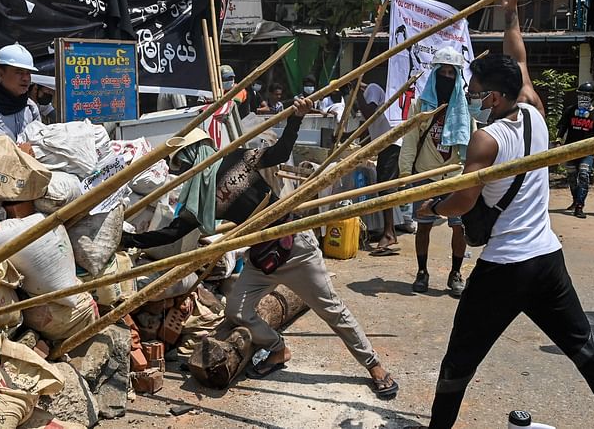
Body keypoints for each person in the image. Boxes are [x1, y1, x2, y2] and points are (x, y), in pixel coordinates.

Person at [417, 0, 594, 428]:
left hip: (505, 266)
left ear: (493, 98)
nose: (470, 97)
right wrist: (510, 13)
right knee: (587, 349)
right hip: (547, 259)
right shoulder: (532, 108)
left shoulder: (486, 138)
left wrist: (431, 210)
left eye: (475, 92)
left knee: (460, 359)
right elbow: (519, 61)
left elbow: (465, 199)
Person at [121, 98, 399, 399]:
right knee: (236, 309)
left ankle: (374, 366)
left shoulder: (238, 159)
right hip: (261, 258)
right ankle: (278, 350)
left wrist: (296, 118)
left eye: (184, 162)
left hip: (294, 247)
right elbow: (174, 232)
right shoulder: (201, 196)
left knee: (332, 311)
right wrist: (132, 240)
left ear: (195, 154)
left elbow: (279, 152)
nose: (184, 170)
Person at [398, 46, 475, 297]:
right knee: (424, 226)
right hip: (426, 175)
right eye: (442, 72)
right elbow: (409, 141)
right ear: (434, 75)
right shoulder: (422, 106)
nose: (446, 77)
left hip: (455, 176)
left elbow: (473, 143)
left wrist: (473, 178)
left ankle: (455, 273)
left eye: (451, 73)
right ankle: (422, 272)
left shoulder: (465, 112)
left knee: (459, 227)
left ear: (457, 77)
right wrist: (404, 176)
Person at [361, 83, 402, 256]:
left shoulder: (371, 89)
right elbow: (371, 125)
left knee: (385, 188)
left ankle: (389, 233)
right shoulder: (376, 92)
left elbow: (369, 115)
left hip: (391, 143)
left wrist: (356, 93)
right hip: (388, 143)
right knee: (385, 187)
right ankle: (389, 230)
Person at [557, 82, 594, 219]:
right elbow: (563, 127)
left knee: (584, 176)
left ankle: (579, 206)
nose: (583, 97)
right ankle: (575, 199)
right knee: (572, 177)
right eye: (581, 95)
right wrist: (558, 140)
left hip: (588, 151)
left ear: (591, 97)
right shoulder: (570, 110)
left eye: (586, 95)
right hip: (570, 149)